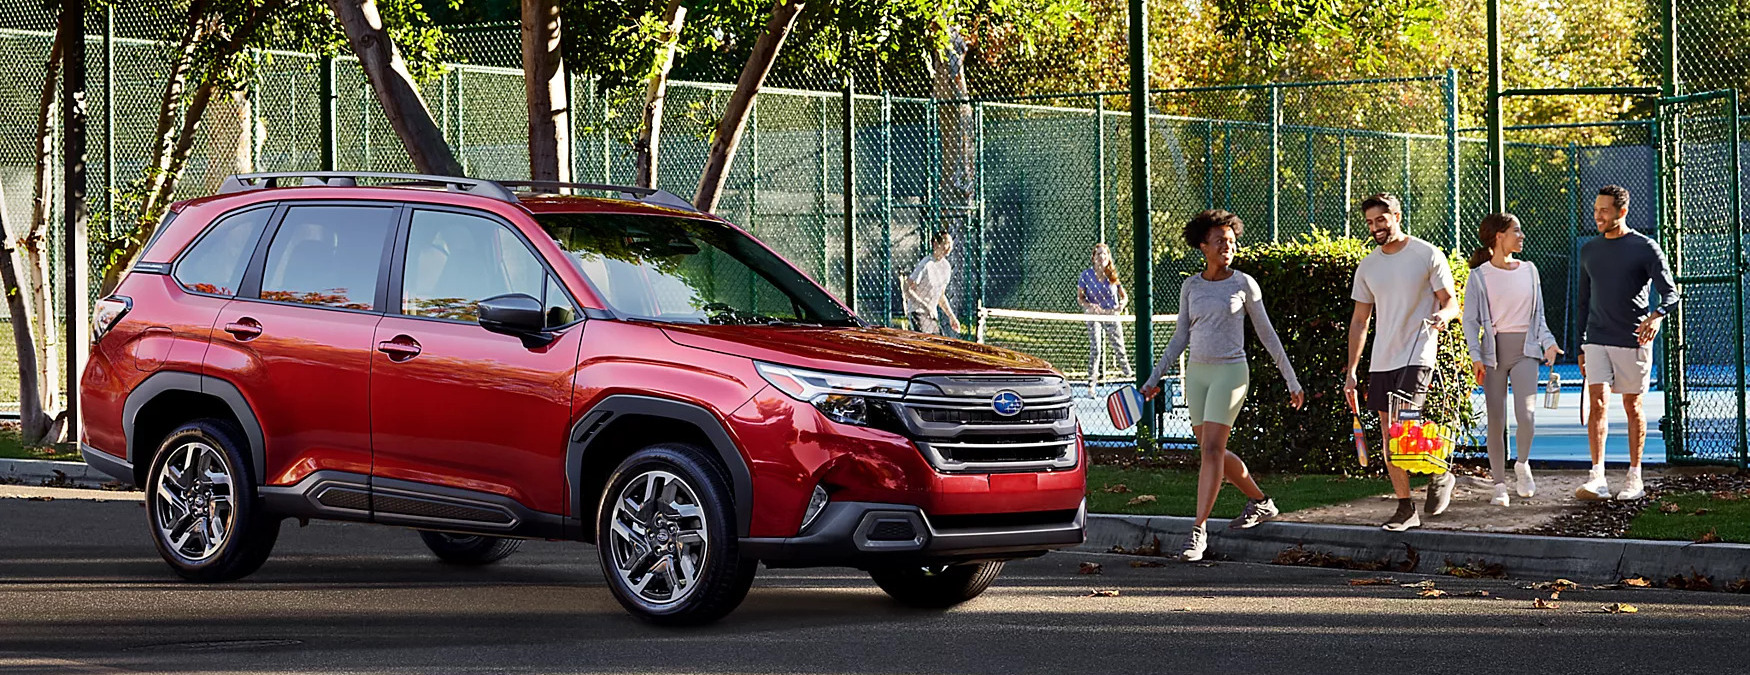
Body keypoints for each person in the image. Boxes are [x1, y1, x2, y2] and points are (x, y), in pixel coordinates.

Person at [1141, 210, 1304, 562]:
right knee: (1209, 450)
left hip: (1231, 373)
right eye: (1220, 242)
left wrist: (1291, 379)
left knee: (1213, 450)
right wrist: (1155, 378)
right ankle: (1261, 502)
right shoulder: (1192, 286)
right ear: (1204, 246)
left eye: (1231, 241)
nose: (1227, 247)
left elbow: (1267, 335)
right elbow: (1180, 337)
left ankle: (1198, 532)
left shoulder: (1244, 284)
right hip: (1197, 375)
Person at [1343, 193, 1460, 532]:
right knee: (1388, 433)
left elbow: (1450, 302)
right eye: (1369, 222)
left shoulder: (1426, 254)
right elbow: (1360, 322)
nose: (1375, 227)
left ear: (1396, 216)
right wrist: (1351, 371)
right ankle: (1407, 505)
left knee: (1402, 428)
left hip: (1418, 355)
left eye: (1381, 220)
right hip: (1382, 362)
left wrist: (1443, 316)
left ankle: (1437, 473)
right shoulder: (1369, 265)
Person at [1575, 185, 1678, 501]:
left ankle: (1635, 478)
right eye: (1595, 210)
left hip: (1633, 340)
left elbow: (1671, 294)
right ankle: (1597, 478)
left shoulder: (1645, 248)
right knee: (1598, 403)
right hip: (1597, 340)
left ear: (1622, 211)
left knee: (1632, 406)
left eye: (1604, 210)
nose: (1598, 215)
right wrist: (1581, 345)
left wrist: (1657, 316)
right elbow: (1582, 301)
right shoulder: (1589, 250)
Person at [1460, 213, 1562, 507]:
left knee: (1526, 415)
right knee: (1496, 420)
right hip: (1492, 356)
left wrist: (1550, 343)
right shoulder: (1478, 276)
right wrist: (1476, 357)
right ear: (1498, 237)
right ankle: (1499, 485)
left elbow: (1538, 317)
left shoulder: (1530, 271)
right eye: (1516, 231)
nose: (1522, 235)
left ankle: (1522, 464)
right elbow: (1470, 321)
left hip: (1526, 352)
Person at [1078, 243, 1133, 390]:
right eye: (1099, 254)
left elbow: (1124, 296)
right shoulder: (1086, 275)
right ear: (1093, 258)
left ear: (1108, 257)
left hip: (1111, 315)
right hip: (1094, 315)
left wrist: (1121, 305)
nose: (1102, 256)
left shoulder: (1112, 275)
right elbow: (1080, 298)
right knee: (1096, 348)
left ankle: (1131, 378)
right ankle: (1092, 383)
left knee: (1119, 348)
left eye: (1104, 254)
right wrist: (1090, 306)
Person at [902, 230, 962, 336]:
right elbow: (907, 288)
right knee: (925, 343)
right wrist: (925, 306)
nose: (949, 248)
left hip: (932, 315)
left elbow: (941, 296)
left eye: (951, 245)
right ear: (935, 245)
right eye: (946, 244)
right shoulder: (926, 264)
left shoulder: (946, 267)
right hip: (918, 312)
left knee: (939, 344)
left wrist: (952, 317)